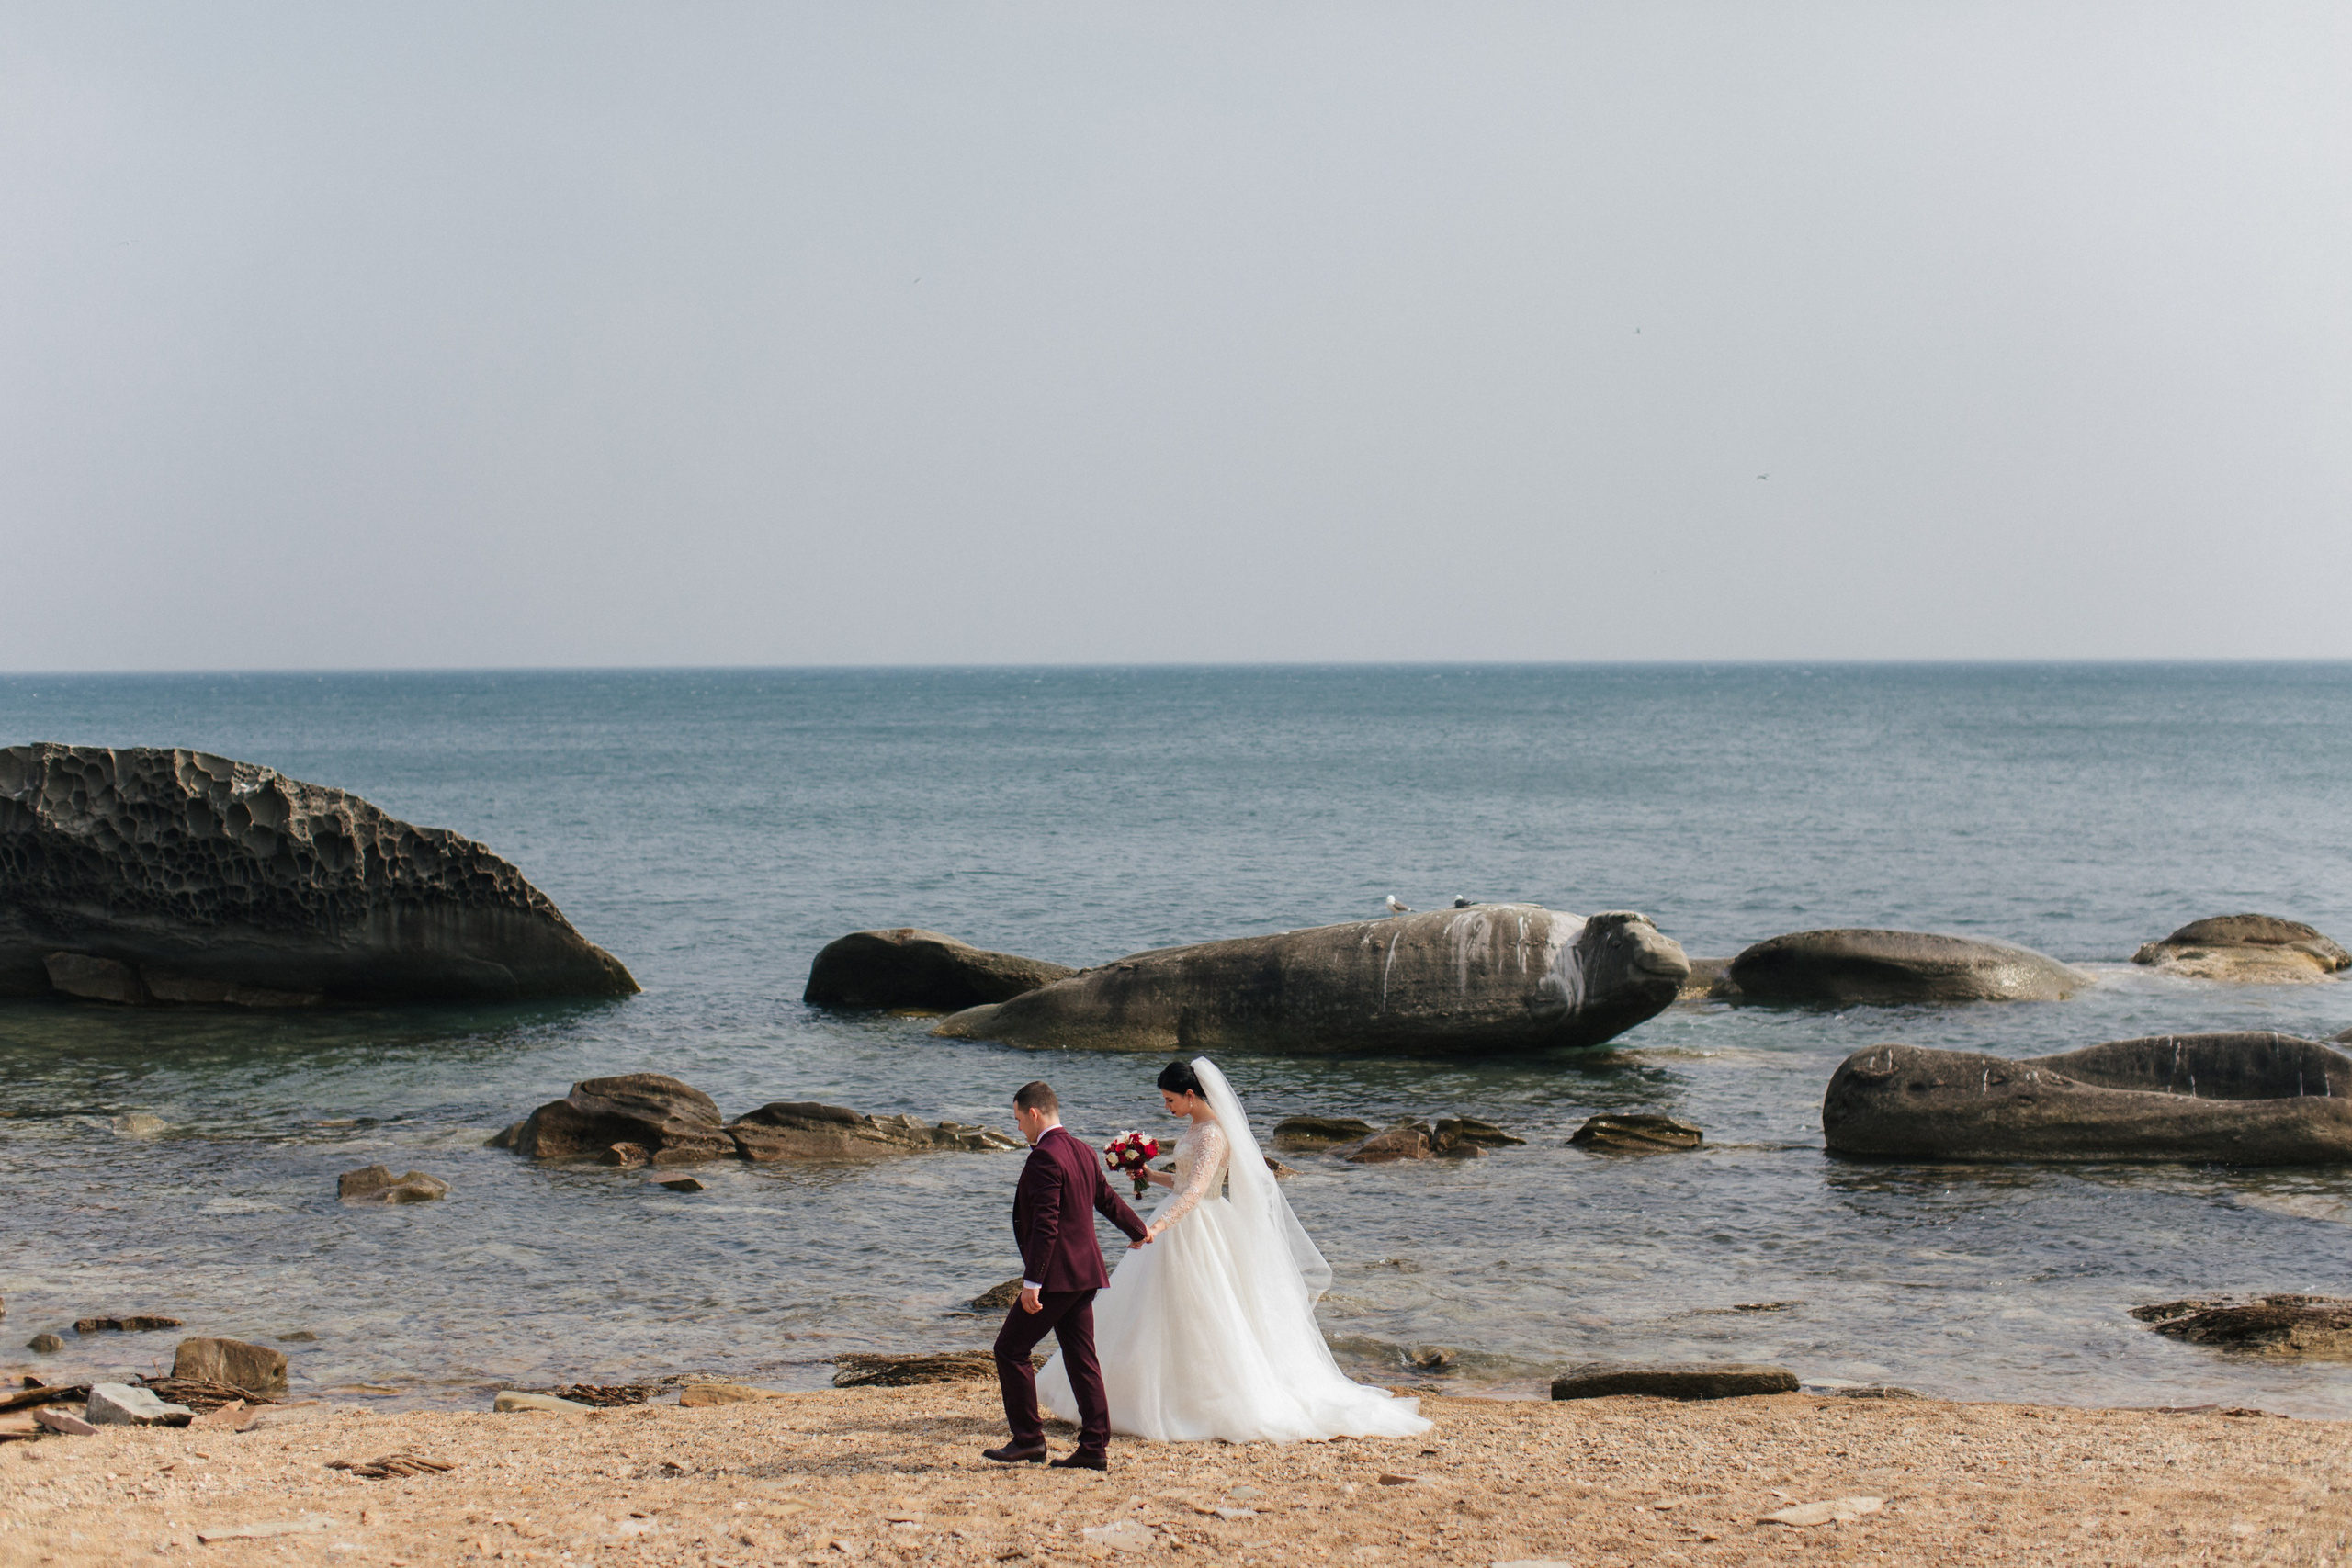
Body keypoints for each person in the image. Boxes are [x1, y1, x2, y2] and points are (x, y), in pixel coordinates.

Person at [1036, 1056, 1432, 1443]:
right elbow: (1182, 1183)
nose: (1167, 1107)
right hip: (1185, 1219)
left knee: (1204, 1310)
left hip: (1200, 1227)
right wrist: (1147, 1174)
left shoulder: (1213, 1134)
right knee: (1154, 1309)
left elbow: (1197, 1191)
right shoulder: (1196, 1127)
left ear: (1191, 1095)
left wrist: (1154, 1226)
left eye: (1170, 1100)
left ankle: (1195, 1400)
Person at [986, 1078, 1150, 1470]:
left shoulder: (1045, 1156)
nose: (1019, 1129)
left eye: (1018, 1120)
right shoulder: (1080, 1149)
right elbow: (1107, 1200)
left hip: (1056, 1278)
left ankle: (1028, 1440)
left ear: (1034, 1113)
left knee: (1010, 1350)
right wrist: (1139, 1230)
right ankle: (1094, 1447)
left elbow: (1046, 1224)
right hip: (1086, 1274)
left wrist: (1033, 1282)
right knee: (1081, 1358)